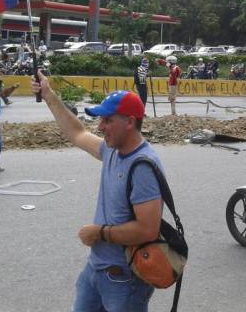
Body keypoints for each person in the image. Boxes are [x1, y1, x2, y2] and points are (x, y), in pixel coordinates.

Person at [30, 73, 162, 311]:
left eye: (107, 120)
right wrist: (49, 95)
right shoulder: (112, 149)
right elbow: (77, 133)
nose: (100, 127)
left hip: (124, 278)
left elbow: (148, 229)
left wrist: (99, 233)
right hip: (96, 269)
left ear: (130, 122)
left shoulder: (143, 166)